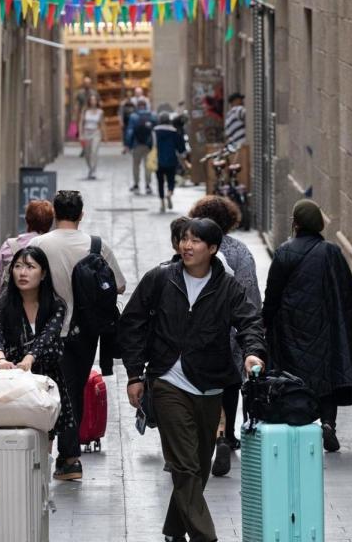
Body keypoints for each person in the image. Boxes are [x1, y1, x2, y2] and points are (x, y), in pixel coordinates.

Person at [120, 218, 266, 542]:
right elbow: (131, 322)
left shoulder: (227, 287)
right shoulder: (160, 278)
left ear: (212, 249)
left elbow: (250, 322)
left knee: (199, 466)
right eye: (183, 239)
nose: (186, 246)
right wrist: (134, 373)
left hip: (210, 385)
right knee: (183, 465)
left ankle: (174, 529)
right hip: (167, 381)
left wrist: (252, 353)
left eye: (195, 241)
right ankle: (204, 537)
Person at [30, 191, 126, 480]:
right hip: (85, 332)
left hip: (45, 329)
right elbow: (119, 286)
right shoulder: (97, 246)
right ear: (81, 215)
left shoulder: (39, 244)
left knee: (44, 389)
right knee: (73, 392)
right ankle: (70, 458)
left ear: (55, 214)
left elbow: (19, 280)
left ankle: (42, 452)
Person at [262, 200, 352, 453]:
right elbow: (346, 292)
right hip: (324, 327)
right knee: (325, 376)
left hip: (290, 327)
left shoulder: (284, 252)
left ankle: (295, 419)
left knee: (293, 377)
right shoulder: (332, 252)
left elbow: (273, 294)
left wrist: (264, 322)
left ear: (295, 223)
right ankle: (327, 423)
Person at [188, 196, 261, 475]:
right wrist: (253, 329)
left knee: (201, 384)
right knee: (230, 383)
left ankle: (203, 434)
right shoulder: (241, 252)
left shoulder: (194, 250)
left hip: (202, 331)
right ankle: (226, 435)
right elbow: (250, 292)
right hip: (233, 330)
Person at [0, 246, 76, 454]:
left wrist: (30, 358)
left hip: (43, 378)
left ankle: (41, 479)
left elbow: (48, 336)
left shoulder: (56, 305)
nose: (23, 273)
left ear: (43, 274)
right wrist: (0, 358)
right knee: (14, 437)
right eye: (18, 266)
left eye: (30, 267)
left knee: (43, 439)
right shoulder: (2, 303)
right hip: (11, 381)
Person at [0, 200, 56, 331]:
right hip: (45, 315)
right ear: (50, 222)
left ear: (27, 220)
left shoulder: (10, 246)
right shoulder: (53, 247)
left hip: (11, 314)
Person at [153, 113, 186, 213]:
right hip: (171, 160)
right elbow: (181, 147)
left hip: (158, 160)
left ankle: (162, 202)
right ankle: (169, 193)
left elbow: (150, 144)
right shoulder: (174, 132)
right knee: (171, 180)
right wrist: (183, 156)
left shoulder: (155, 131)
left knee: (160, 181)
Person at [125, 100, 155, 195]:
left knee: (136, 165)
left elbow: (130, 132)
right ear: (145, 106)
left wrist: (128, 145)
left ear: (137, 106)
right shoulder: (152, 116)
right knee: (148, 166)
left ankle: (136, 184)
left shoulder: (133, 116)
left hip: (136, 144)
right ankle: (148, 185)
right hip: (148, 145)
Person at [80, 94, 105, 180]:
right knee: (87, 154)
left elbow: (102, 124)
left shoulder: (100, 112)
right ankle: (90, 168)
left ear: (97, 101)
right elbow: (81, 123)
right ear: (89, 101)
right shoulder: (85, 111)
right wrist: (81, 134)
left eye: (94, 100)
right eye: (91, 100)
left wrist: (104, 135)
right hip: (87, 132)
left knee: (94, 151)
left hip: (96, 133)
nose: (93, 102)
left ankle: (93, 170)